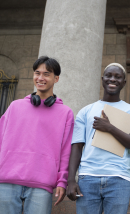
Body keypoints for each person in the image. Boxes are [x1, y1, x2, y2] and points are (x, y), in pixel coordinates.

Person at [67, 63, 130, 214]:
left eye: (118, 77)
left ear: (124, 82)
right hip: (88, 177)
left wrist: (110, 128)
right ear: (102, 79)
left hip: (119, 178)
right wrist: (71, 180)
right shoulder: (86, 111)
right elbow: (76, 147)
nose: (113, 79)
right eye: (109, 75)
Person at [0, 56, 74, 214]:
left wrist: (62, 181)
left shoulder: (65, 113)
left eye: (46, 74)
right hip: (6, 181)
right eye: (37, 73)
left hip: (42, 184)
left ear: (56, 78)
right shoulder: (15, 106)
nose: (40, 78)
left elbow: (66, 151)